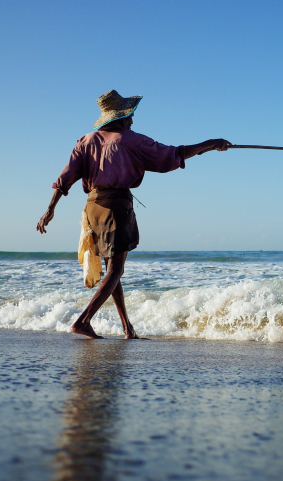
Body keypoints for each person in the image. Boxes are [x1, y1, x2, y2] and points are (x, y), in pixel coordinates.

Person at [37, 90, 231, 339]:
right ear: (122, 116)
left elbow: (65, 179)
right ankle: (83, 321)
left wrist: (49, 210)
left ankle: (128, 328)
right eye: (130, 115)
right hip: (116, 207)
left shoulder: (85, 141)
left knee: (112, 270)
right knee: (116, 270)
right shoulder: (130, 140)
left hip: (92, 208)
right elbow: (172, 155)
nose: (132, 120)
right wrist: (210, 143)